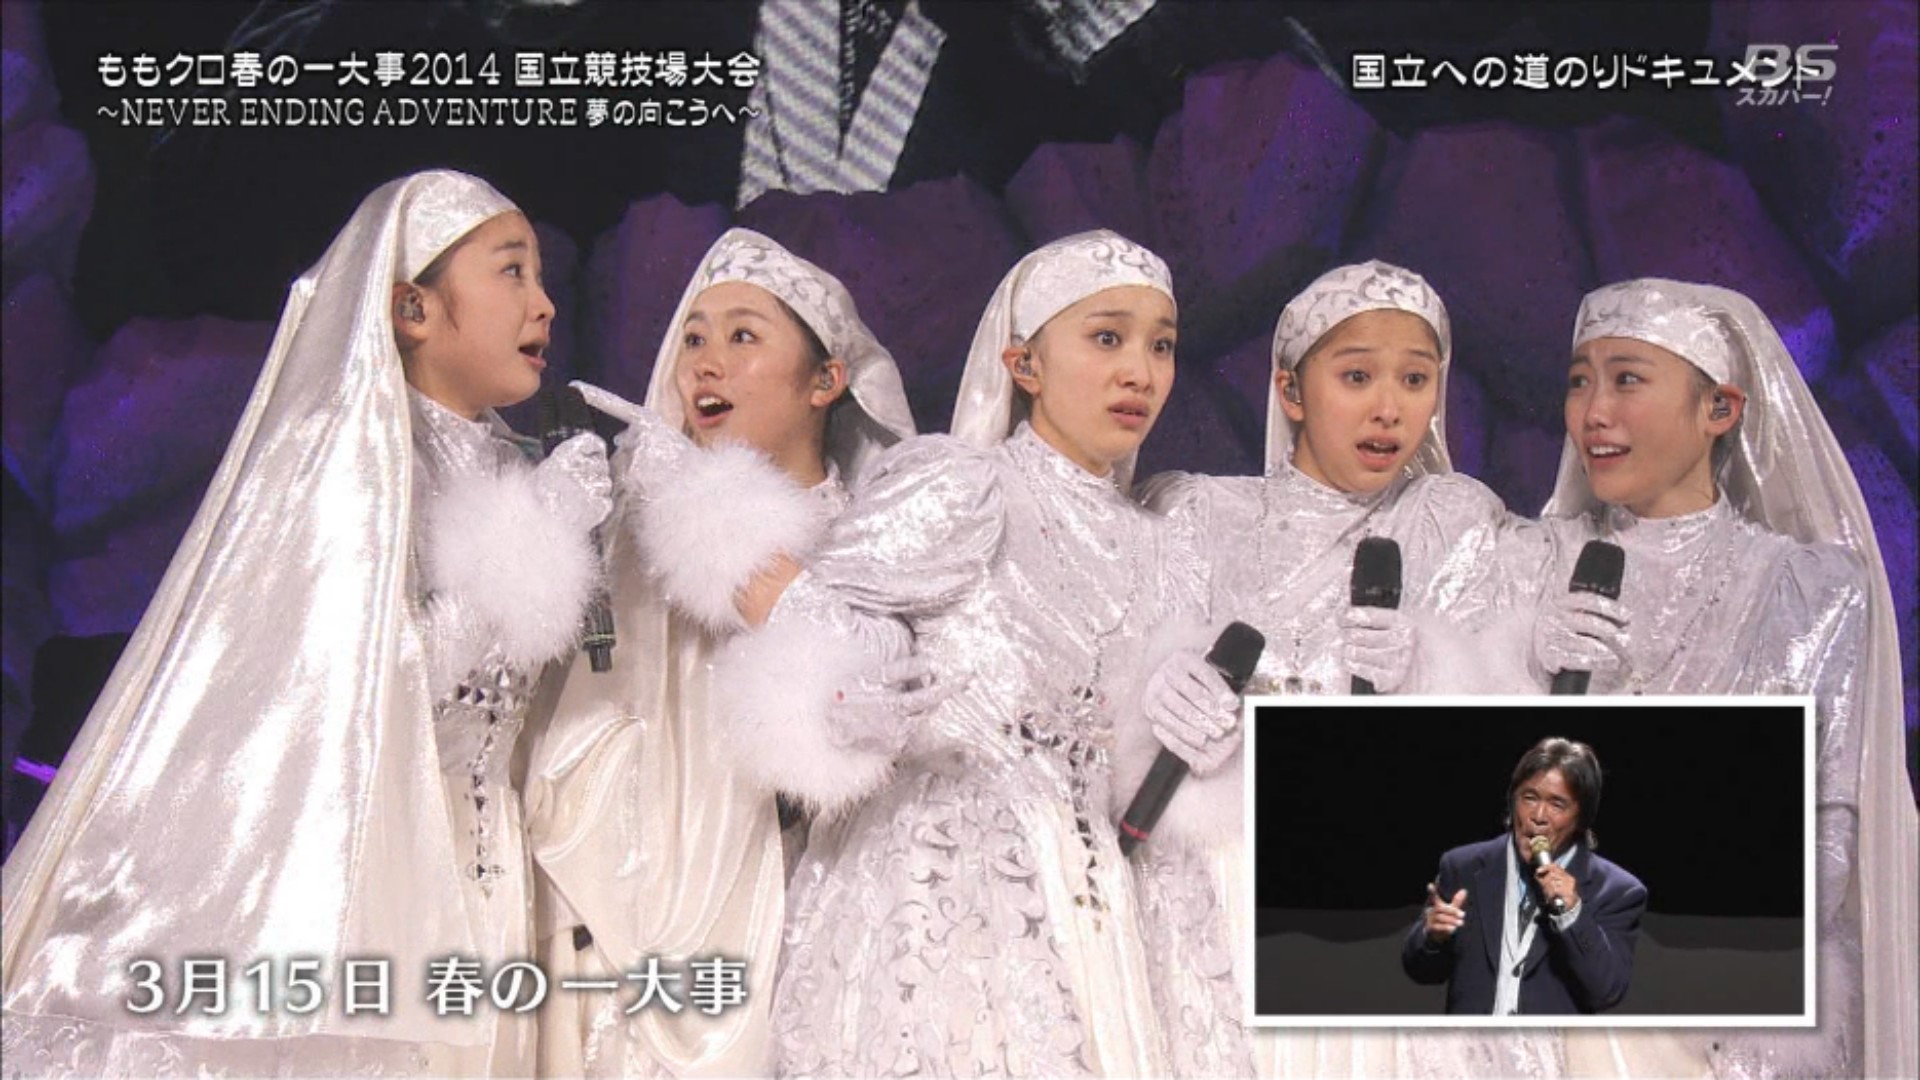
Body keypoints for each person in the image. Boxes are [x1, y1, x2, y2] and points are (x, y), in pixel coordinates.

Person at [0, 170, 610, 1075]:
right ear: (411, 308)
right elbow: (369, 696)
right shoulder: (347, 461)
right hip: (361, 876)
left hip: (491, 885)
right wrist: (539, 532)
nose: (545, 304)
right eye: (512, 271)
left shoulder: (517, 465)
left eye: (542, 277)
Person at [632, 230, 1230, 1074]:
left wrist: (1206, 734)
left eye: (1160, 346)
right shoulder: (967, 486)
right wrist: (846, 699)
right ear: (1024, 365)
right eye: (1107, 337)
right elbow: (828, 620)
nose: (1140, 371)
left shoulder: (1165, 545)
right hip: (936, 902)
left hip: (1101, 912)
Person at [520, 227, 916, 1077]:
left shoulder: (875, 540)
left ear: (826, 381)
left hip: (802, 913)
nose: (706, 363)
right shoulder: (636, 519)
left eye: (743, 336)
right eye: (694, 338)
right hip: (632, 890)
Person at [1503, 279, 1918, 1080]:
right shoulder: (1530, 563)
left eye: (1627, 378)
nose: (1594, 412)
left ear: (1719, 409)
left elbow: (1830, 830)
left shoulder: (1811, 589)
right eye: (1579, 381)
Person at [1124, 260, 1510, 1076]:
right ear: (1292, 391)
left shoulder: (1455, 521)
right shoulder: (1200, 512)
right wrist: (1159, 688)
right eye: (1358, 376)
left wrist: (1432, 674)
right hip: (1221, 898)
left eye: (1415, 379)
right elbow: (1117, 671)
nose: (1388, 407)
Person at [1402, 737, 1645, 1016]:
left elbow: (1606, 992)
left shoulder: (1617, 891)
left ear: (1582, 817)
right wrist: (1432, 938)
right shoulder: (1463, 867)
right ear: (1512, 799)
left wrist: (1573, 915)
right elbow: (1421, 971)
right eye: (1529, 797)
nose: (1538, 816)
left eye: (1557, 804)